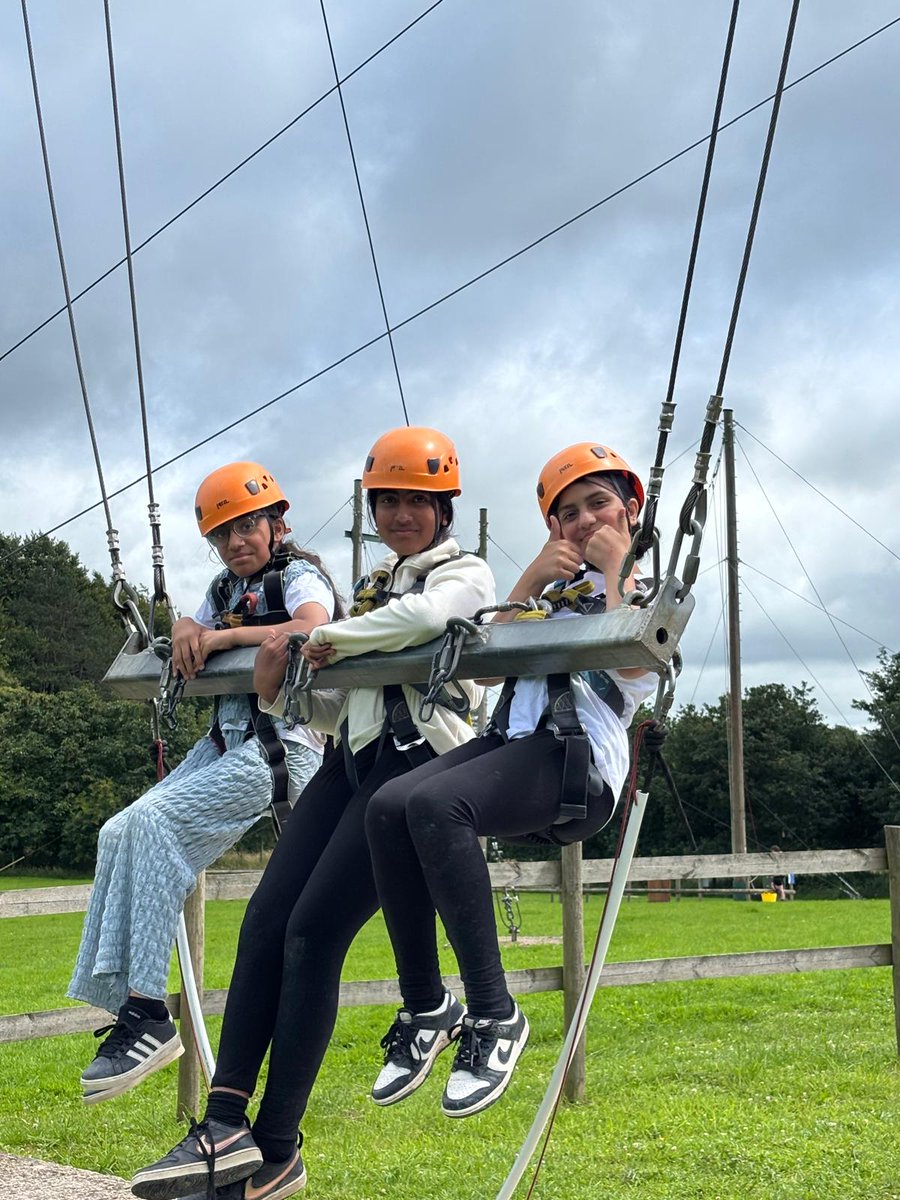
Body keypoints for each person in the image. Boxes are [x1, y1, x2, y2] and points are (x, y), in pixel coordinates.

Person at [130, 427, 495, 1200]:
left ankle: (278, 1145)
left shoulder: (465, 573)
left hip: (417, 767)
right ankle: (224, 1123)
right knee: (265, 922)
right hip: (351, 760)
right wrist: (275, 682)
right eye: (387, 501)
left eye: (415, 502)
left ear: (442, 508)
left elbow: (425, 623)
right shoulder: (369, 591)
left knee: (311, 933)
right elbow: (336, 707)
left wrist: (315, 639)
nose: (400, 514)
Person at [364, 441, 659, 1117]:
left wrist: (618, 569)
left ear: (631, 509)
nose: (584, 522)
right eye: (568, 514)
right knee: (387, 807)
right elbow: (488, 672)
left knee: (438, 804)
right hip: (512, 741)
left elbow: (640, 664)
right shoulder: (552, 593)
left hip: (575, 759)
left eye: (598, 505)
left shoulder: (644, 589)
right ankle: (426, 1006)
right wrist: (526, 586)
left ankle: (495, 1016)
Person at [70, 462, 341, 1105]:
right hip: (229, 742)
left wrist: (223, 637)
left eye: (248, 526)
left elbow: (309, 628)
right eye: (222, 535)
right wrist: (190, 630)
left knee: (156, 825)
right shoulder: (222, 587)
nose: (236, 543)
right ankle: (127, 1008)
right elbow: (189, 631)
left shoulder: (300, 576)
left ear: (278, 524)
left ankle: (149, 1011)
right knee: (119, 830)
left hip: (284, 746)